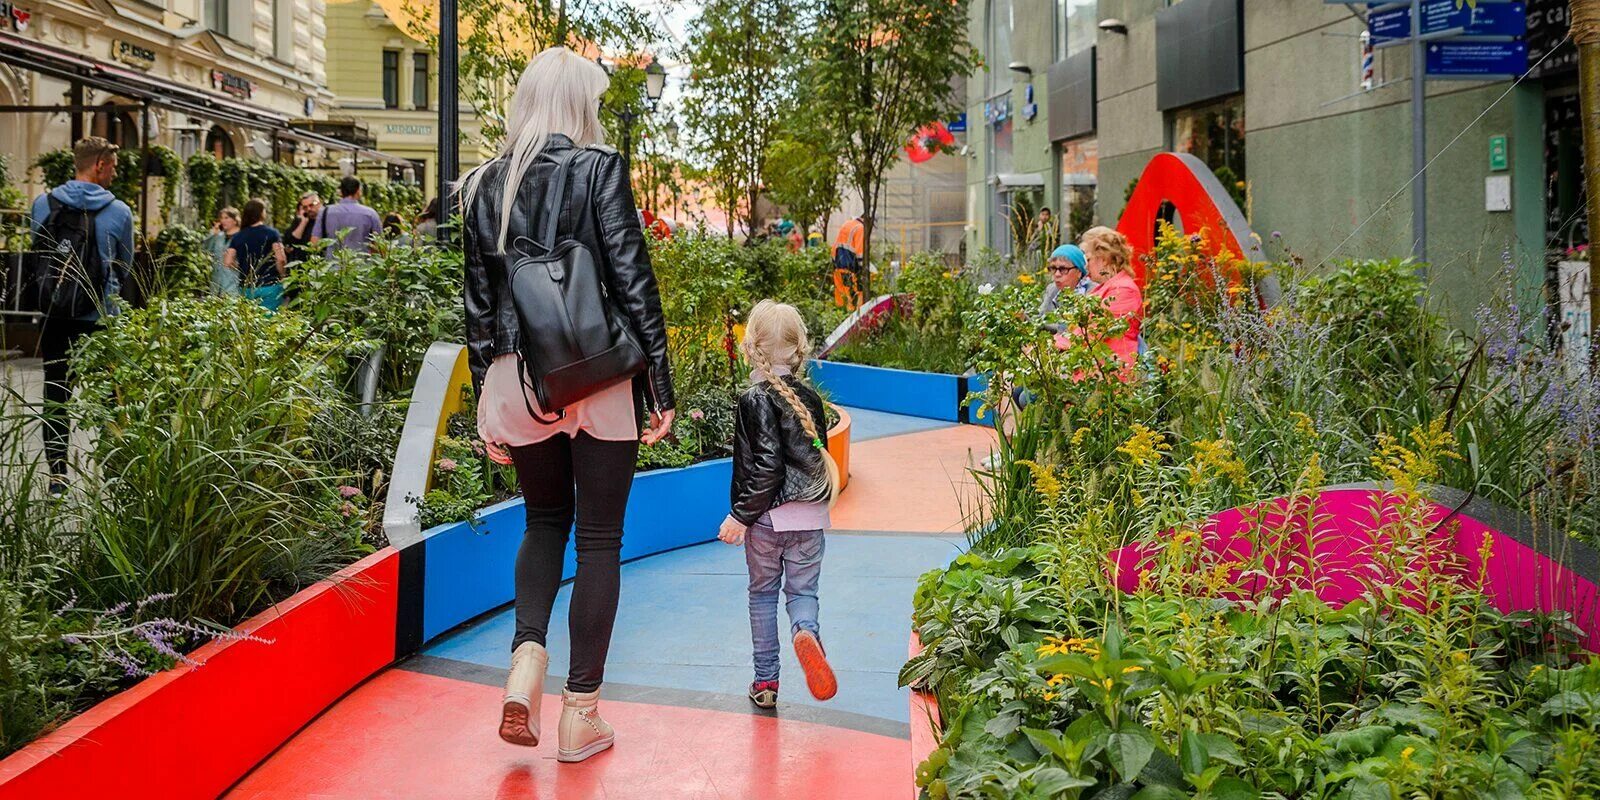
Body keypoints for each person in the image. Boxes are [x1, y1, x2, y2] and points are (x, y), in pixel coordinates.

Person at [461, 46, 675, 763]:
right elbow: (633, 282)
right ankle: (579, 714)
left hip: (519, 379)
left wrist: (487, 401)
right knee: (601, 541)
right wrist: (660, 389)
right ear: (579, 103)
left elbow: (479, 307)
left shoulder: (484, 183)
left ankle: (526, 658)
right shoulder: (599, 166)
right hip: (595, 373)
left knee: (544, 520)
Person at [718, 299, 840, 709]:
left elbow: (768, 466)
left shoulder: (754, 398)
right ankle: (805, 632)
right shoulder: (810, 398)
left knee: (763, 595)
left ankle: (766, 682)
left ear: (752, 347)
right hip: (811, 516)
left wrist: (740, 515)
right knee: (803, 592)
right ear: (798, 348)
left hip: (768, 519)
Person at [28, 136, 133, 490]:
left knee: (56, 395)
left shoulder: (43, 203)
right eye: (114, 166)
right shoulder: (118, 211)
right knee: (110, 398)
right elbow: (125, 265)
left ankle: (58, 477)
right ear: (100, 164)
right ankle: (115, 474)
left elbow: (37, 254)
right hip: (100, 319)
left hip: (55, 315)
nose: (116, 173)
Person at [1054, 226, 1142, 377]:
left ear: (1104, 258)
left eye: (1088, 259)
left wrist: (1050, 346)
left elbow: (1092, 332)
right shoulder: (1105, 288)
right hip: (1090, 366)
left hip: (1108, 373)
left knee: (1025, 393)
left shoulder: (1124, 291)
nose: (1086, 266)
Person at [225, 198, 287, 311]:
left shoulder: (238, 236)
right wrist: (283, 276)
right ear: (262, 213)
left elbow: (228, 261)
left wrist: (242, 268)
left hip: (246, 287)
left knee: (251, 323)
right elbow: (281, 259)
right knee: (270, 323)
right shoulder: (272, 233)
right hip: (270, 285)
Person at [316, 176, 382, 253]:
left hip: (331, 263)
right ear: (358, 191)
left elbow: (315, 242)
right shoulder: (370, 214)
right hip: (362, 263)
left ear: (341, 192)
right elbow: (379, 246)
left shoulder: (325, 212)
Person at [203, 207, 242, 295]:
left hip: (234, 283)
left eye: (226, 218)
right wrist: (213, 234)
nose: (222, 221)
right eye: (221, 218)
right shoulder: (218, 236)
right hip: (216, 284)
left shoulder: (242, 236)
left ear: (235, 220)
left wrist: (237, 265)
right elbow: (205, 249)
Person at [282, 191, 322, 265]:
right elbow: (291, 243)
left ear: (319, 204)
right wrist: (303, 222)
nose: (309, 209)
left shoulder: (326, 219)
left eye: (311, 205)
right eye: (305, 207)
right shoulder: (300, 221)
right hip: (302, 265)